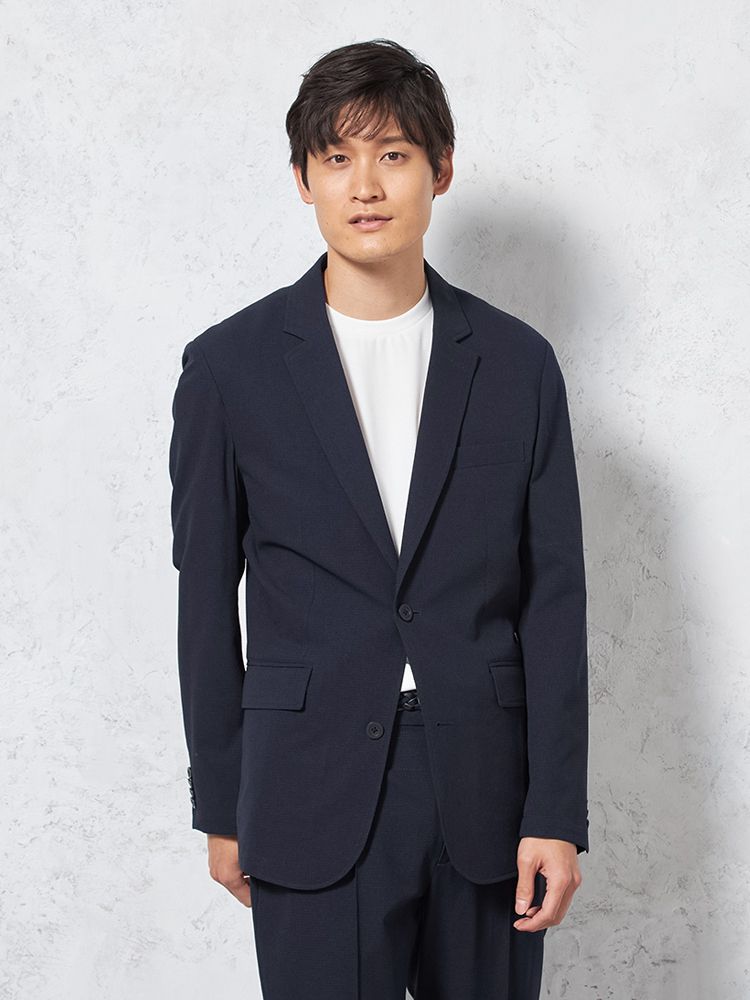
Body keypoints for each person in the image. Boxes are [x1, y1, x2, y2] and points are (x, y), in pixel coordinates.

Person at [169, 37, 590, 1000]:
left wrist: (556, 810)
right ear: (303, 180)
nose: (366, 185)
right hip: (306, 787)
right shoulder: (230, 370)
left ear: (441, 170)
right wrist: (222, 803)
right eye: (337, 158)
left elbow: (555, 600)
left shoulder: (519, 366)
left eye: (393, 154)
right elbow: (205, 601)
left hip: (486, 795)